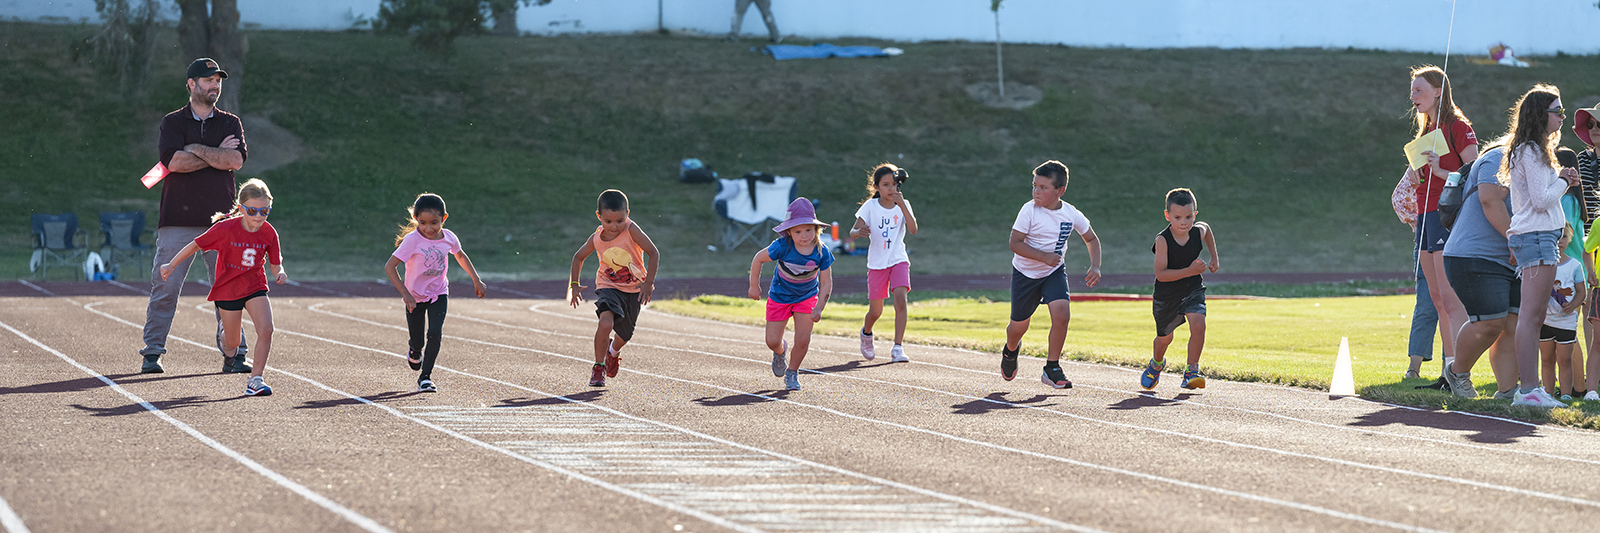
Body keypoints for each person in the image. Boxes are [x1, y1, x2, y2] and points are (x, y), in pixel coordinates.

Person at [140, 57, 250, 375]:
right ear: (191, 84)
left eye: (218, 80)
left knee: (228, 290)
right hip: (176, 219)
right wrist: (217, 154)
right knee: (165, 287)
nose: (215, 85)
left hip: (222, 222)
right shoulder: (172, 122)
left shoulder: (231, 123)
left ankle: (234, 354)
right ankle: (152, 353)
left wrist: (197, 148)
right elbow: (174, 163)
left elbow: (236, 161)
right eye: (208, 80)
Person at [158, 179, 284, 396]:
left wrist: (279, 272)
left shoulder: (269, 232)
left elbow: (275, 260)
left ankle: (255, 379)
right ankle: (225, 334)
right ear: (242, 208)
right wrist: (171, 264)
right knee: (233, 344)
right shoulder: (225, 228)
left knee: (267, 329)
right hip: (227, 290)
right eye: (253, 210)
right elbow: (196, 244)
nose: (258, 216)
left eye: (265, 211)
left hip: (255, 286)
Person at [1500, 84, 1582, 408]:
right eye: (1557, 111)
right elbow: (1540, 200)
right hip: (1535, 235)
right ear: (1540, 114)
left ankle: (1532, 389)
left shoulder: (1534, 150)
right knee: (1531, 317)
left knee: (1533, 317)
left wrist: (1560, 176)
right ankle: (1529, 390)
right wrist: (1563, 181)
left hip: (1540, 235)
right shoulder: (1531, 151)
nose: (1562, 115)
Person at [1000, 161, 1103, 389]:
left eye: (1043, 188)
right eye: (1034, 186)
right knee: (1018, 327)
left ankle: (1052, 367)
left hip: (1053, 272)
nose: (1036, 191)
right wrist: (1042, 256)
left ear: (1060, 191)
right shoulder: (1029, 210)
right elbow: (1014, 243)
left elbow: (1091, 239)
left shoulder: (1070, 213)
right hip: (1025, 275)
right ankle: (1010, 350)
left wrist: (1095, 266)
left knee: (1062, 313)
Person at [1406, 66, 1478, 390]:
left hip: (1444, 213)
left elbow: (1473, 167)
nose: (1412, 97)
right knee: (1435, 296)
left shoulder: (1457, 126)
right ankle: (1448, 371)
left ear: (1437, 91)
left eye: (1418, 90)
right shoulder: (1427, 130)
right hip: (1424, 213)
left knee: (1449, 298)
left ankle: (1457, 371)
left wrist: (1441, 168)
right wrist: (1414, 173)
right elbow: (1426, 173)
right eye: (1412, 90)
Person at [384, 193, 487, 393]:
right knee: (418, 340)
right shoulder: (412, 241)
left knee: (435, 333)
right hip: (415, 297)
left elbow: (460, 255)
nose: (429, 229)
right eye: (423, 223)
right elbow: (390, 267)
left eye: (434, 223)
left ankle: (425, 377)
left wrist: (476, 279)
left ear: (444, 219)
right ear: (415, 219)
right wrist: (405, 294)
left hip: (439, 293)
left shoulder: (449, 237)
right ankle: (414, 350)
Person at [1442, 142, 1519, 399]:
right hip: (1475, 254)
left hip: (1515, 257)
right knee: (1489, 323)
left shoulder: (1540, 162)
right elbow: (1489, 199)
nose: (1561, 118)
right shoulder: (1498, 156)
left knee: (1514, 325)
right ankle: (1457, 372)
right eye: (1557, 113)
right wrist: (1514, 242)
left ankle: (1508, 391)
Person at [567, 190, 660, 387]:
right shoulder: (597, 237)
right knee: (606, 323)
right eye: (608, 221)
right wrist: (574, 285)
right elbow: (578, 257)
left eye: (620, 220)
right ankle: (598, 367)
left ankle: (613, 351)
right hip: (607, 286)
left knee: (625, 335)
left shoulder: (631, 230)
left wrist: (648, 283)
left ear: (628, 214)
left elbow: (653, 252)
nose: (614, 226)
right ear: (599, 217)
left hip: (634, 288)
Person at [748, 198, 834, 391]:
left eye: (808, 230)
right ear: (789, 232)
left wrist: (819, 307)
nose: (804, 236)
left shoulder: (822, 252)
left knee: (803, 340)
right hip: (780, 297)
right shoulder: (782, 247)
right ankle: (780, 351)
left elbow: (826, 282)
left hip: (806, 297)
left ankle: (793, 372)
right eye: (797, 231)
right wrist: (754, 286)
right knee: (772, 341)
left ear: (816, 229)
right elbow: (758, 259)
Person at [1140, 188, 1219, 390]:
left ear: (1195, 214)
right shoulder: (1163, 240)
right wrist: (1190, 269)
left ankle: (1191, 371)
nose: (1183, 222)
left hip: (1192, 288)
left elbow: (1207, 229)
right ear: (1167, 216)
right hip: (1167, 294)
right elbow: (1161, 274)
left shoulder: (1196, 231)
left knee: (1199, 324)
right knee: (1165, 337)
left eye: (1189, 216)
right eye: (1177, 217)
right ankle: (1156, 364)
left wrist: (1214, 257)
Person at [851, 164, 919, 363]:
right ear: (876, 187)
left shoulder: (903, 204)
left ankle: (897, 347)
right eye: (885, 185)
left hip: (898, 259)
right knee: (876, 311)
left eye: (894, 185)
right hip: (877, 264)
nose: (891, 189)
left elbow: (913, 229)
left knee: (900, 299)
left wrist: (903, 206)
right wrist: (859, 233)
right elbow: (852, 232)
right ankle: (867, 332)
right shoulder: (870, 207)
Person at [1539, 224, 1586, 401]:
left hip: (1566, 322)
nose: (1560, 241)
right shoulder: (1542, 264)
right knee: (1547, 359)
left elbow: (1581, 291)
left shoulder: (1574, 265)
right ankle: (1548, 394)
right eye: (1556, 237)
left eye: (1564, 237)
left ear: (1570, 238)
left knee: (1565, 360)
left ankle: (1566, 394)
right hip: (1545, 322)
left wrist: (1573, 305)